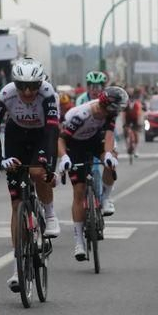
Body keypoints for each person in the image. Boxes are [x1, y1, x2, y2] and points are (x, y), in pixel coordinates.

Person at [0, 57, 61, 294]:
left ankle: (50, 214)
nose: (29, 91)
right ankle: (17, 268)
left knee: (37, 172)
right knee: (16, 205)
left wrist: (49, 166)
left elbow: (53, 130)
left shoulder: (48, 93)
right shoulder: (5, 94)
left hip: (41, 135)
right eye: (23, 86)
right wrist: (0, 159)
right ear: (15, 84)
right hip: (16, 136)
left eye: (33, 85)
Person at [57, 86, 126, 258]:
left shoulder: (111, 111)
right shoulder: (80, 115)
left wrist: (108, 155)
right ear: (107, 106)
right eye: (115, 109)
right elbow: (61, 139)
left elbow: (109, 135)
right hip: (74, 145)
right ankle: (79, 241)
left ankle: (105, 198)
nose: (116, 112)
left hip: (94, 139)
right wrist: (64, 157)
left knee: (111, 162)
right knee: (79, 192)